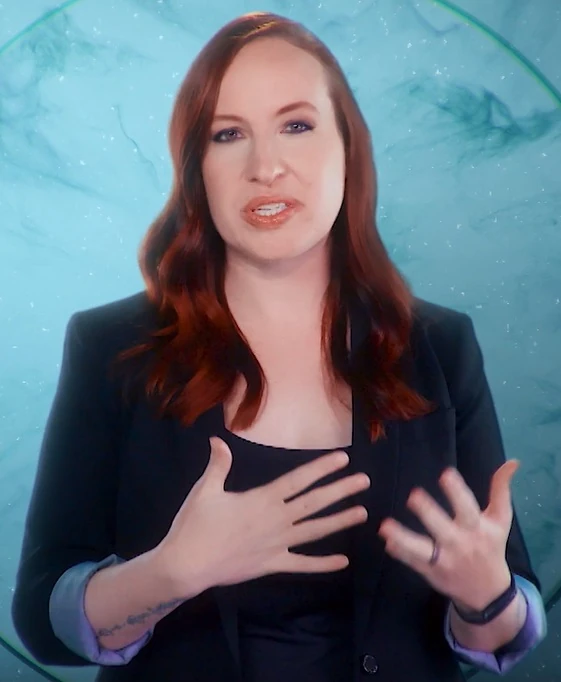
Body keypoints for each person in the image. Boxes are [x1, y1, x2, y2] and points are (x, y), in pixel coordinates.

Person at [11, 11, 547, 682]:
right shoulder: (112, 347)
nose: (265, 167)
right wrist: (170, 573)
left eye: (296, 125)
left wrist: (484, 596)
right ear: (197, 170)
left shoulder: (441, 346)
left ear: (348, 150)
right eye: (228, 134)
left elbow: (512, 624)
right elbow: (42, 620)